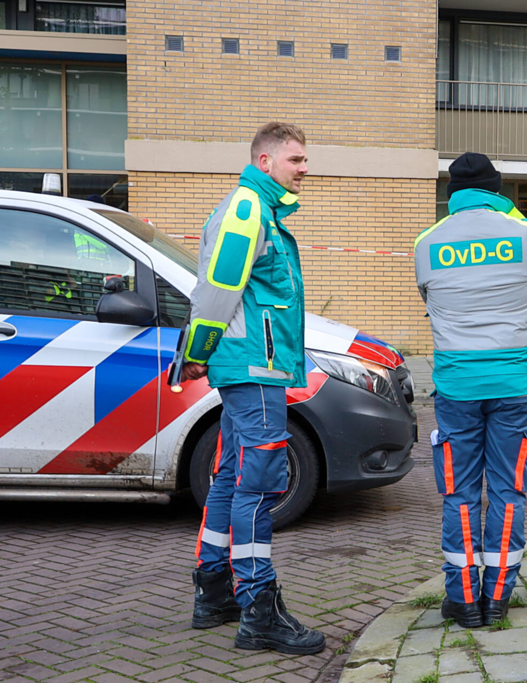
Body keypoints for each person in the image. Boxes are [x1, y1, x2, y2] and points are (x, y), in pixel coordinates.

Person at [183, 122, 324, 654]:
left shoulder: (259, 210)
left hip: (254, 369)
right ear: (264, 161)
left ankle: (215, 592)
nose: (304, 168)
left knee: (231, 480)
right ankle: (259, 611)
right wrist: (197, 352)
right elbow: (219, 289)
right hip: (254, 371)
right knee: (259, 487)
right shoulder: (248, 210)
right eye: (296, 159)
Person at [415, 152, 527, 627]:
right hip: (515, 384)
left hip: (457, 386)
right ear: (496, 190)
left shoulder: (427, 242)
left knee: (460, 495)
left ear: (452, 194)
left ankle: (463, 600)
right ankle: (498, 597)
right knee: (510, 492)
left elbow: (429, 299)